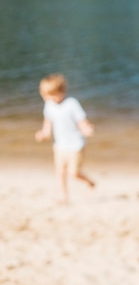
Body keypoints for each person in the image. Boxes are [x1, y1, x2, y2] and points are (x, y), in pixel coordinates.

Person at [35, 73, 96, 204]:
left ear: (62, 91)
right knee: (60, 172)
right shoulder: (49, 106)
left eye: (52, 95)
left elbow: (81, 121)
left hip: (76, 145)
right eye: (46, 96)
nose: (49, 98)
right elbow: (48, 124)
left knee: (74, 173)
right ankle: (64, 196)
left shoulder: (71, 103)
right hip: (60, 146)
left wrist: (86, 129)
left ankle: (90, 183)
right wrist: (43, 134)